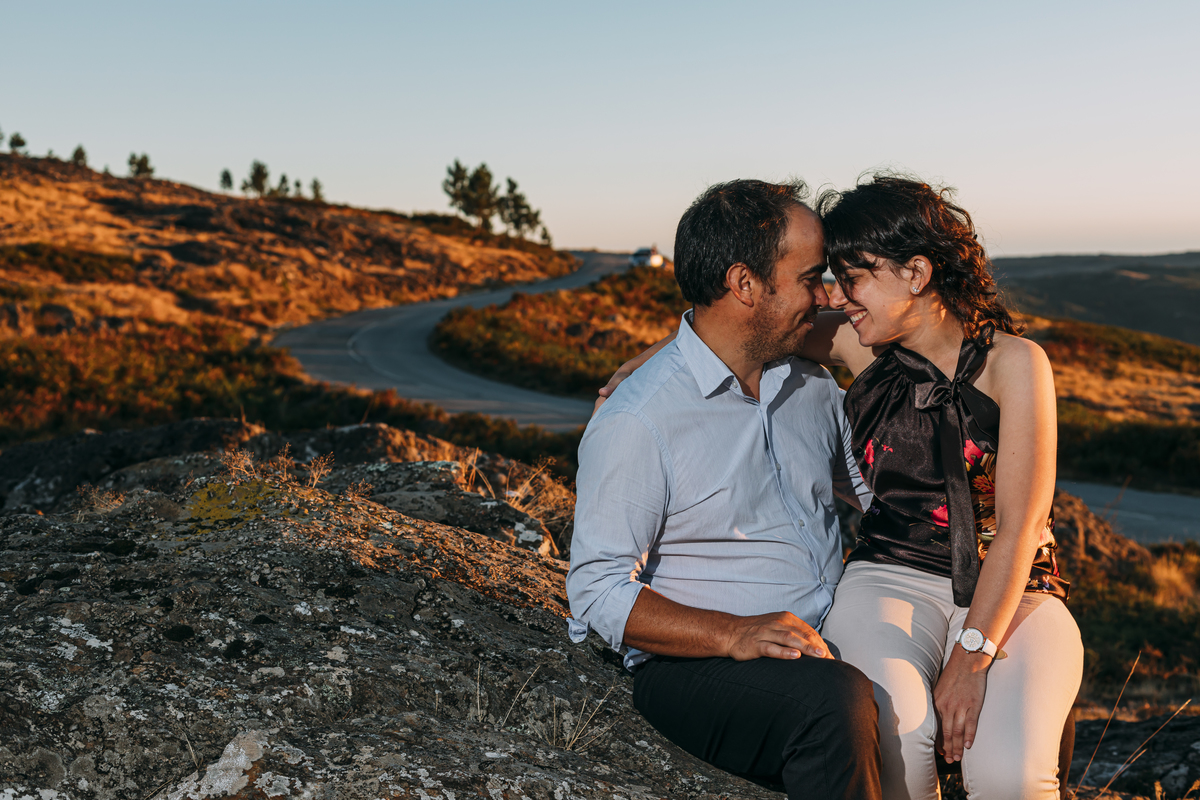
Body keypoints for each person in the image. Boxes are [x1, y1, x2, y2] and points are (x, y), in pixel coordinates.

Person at [600, 175, 1083, 800]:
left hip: (1016, 590)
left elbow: (1021, 527)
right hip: (891, 575)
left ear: (916, 273)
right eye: (828, 277)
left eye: (853, 277)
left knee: (1009, 777)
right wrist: (642, 364)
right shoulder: (857, 344)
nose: (836, 296)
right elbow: (728, 327)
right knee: (902, 740)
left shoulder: (1017, 362)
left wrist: (971, 658)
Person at [566, 179, 882, 800]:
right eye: (810, 279)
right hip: (698, 665)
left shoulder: (811, 385)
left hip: (822, 639)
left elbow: (879, 495)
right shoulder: (640, 418)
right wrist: (732, 634)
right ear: (744, 284)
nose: (826, 297)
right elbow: (596, 590)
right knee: (832, 704)